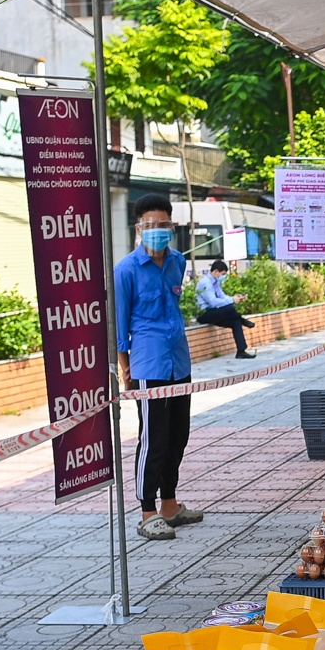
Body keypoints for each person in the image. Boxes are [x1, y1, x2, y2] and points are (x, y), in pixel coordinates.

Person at [116, 193, 202, 542]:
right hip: (147, 364)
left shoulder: (178, 261)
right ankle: (147, 510)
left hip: (178, 361)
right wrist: (125, 371)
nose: (157, 231)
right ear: (139, 229)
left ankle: (170, 504)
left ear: (171, 225)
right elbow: (120, 327)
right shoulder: (126, 270)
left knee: (178, 436)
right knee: (153, 439)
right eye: (150, 225)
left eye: (163, 225)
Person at [194, 260, 255, 359]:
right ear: (216, 271)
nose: (222, 276)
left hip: (214, 313)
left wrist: (236, 298)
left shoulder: (215, 282)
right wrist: (232, 300)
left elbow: (223, 297)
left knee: (235, 322)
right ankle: (243, 320)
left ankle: (241, 351)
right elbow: (213, 302)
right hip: (204, 314)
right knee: (230, 308)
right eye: (222, 274)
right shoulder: (206, 283)